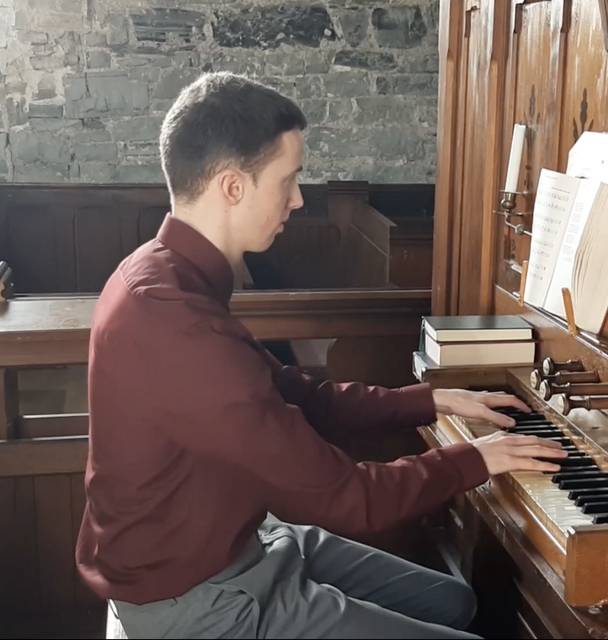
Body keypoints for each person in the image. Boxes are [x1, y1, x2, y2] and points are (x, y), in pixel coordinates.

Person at [75, 72, 566, 639]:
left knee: (454, 600)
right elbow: (350, 499)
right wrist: (479, 459)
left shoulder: (165, 273)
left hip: (246, 546)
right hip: (198, 599)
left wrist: (431, 401)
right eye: (288, 179)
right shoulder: (169, 316)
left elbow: (292, 395)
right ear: (233, 187)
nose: (298, 198)